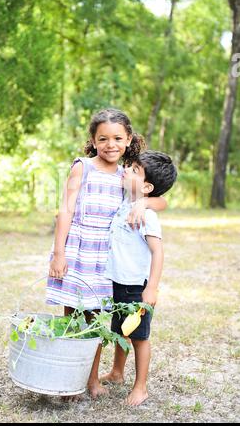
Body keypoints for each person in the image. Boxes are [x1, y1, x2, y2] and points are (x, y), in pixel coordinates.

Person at [47, 109, 167, 398]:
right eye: (103, 138)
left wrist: (145, 204)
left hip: (105, 258)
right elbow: (65, 210)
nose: (110, 144)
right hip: (79, 251)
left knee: (96, 320)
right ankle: (71, 378)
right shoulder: (83, 167)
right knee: (74, 318)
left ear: (128, 140)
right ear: (93, 140)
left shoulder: (128, 174)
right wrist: (58, 253)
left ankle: (91, 379)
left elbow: (160, 199)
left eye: (117, 138)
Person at [101, 150, 177, 405]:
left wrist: (152, 288)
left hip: (137, 286)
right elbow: (160, 200)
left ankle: (141, 387)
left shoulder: (147, 215)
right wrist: (143, 200)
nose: (126, 169)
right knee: (121, 330)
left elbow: (158, 251)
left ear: (147, 186)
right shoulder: (127, 201)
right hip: (118, 282)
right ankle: (117, 372)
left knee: (139, 337)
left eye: (134, 169)